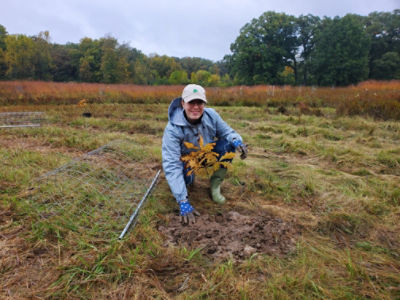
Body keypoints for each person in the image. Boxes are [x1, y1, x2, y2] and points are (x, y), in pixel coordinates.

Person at [162, 84, 248, 225]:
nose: (196, 107)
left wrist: (237, 141)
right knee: (187, 182)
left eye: (200, 102)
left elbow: (227, 132)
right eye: (191, 102)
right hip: (187, 161)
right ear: (183, 103)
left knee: (228, 144)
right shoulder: (172, 129)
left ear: (204, 103)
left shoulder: (211, 115)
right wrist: (182, 200)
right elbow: (172, 164)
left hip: (207, 154)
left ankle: (215, 186)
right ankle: (186, 184)